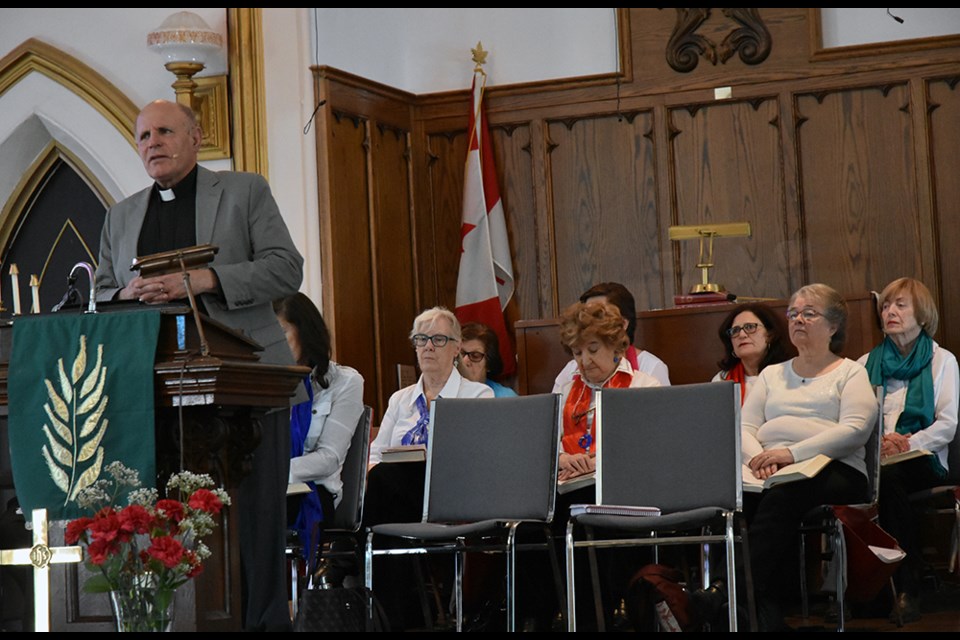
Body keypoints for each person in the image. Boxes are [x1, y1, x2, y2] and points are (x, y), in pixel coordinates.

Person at [94, 99, 303, 631]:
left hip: (247, 383)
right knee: (162, 524)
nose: (152, 143)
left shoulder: (243, 191)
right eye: (143, 136)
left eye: (164, 131)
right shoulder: (121, 215)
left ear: (196, 136)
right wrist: (127, 290)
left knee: (254, 527)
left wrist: (206, 280)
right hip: (155, 390)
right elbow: (99, 293)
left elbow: (286, 269)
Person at [741, 283, 878, 631]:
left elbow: (855, 430)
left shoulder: (851, 372)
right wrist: (762, 459)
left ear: (833, 326)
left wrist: (791, 453)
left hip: (835, 468)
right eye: (793, 313)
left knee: (784, 494)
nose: (798, 318)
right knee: (739, 499)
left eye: (809, 312)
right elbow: (743, 427)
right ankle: (763, 608)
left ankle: (733, 595)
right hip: (771, 468)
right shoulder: (772, 375)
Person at [363, 307, 493, 629]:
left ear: (456, 347)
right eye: (421, 339)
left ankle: (354, 569)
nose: (428, 347)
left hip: (450, 492)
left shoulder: (478, 395)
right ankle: (396, 615)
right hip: (398, 495)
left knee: (381, 484)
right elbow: (376, 454)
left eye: (437, 339)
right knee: (379, 482)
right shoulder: (400, 399)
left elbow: (477, 459)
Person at [859, 278, 958, 623]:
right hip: (875, 460)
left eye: (900, 305)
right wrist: (881, 443)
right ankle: (878, 586)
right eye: (886, 305)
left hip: (923, 459)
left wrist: (907, 442)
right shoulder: (863, 364)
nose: (890, 312)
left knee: (890, 477)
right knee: (877, 477)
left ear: (923, 313)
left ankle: (906, 585)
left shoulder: (942, 361)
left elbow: (947, 424)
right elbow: (855, 420)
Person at [274, 293, 364, 570]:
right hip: (268, 487)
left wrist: (272, 475)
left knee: (260, 511)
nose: (272, 345)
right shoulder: (261, 381)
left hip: (312, 490)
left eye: (281, 333)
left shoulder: (345, 382)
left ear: (306, 332)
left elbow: (329, 458)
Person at [552, 282, 670, 392]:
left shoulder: (646, 384)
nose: (586, 362)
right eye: (577, 352)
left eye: (593, 350)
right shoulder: (565, 389)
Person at [713, 302, 795, 403]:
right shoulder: (722, 380)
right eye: (735, 330)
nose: (742, 335)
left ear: (770, 335)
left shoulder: (789, 374)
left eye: (750, 327)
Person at [457, 322, 517, 397]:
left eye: (475, 356)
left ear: (489, 364)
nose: (464, 361)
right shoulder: (442, 392)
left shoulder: (505, 398)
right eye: (461, 354)